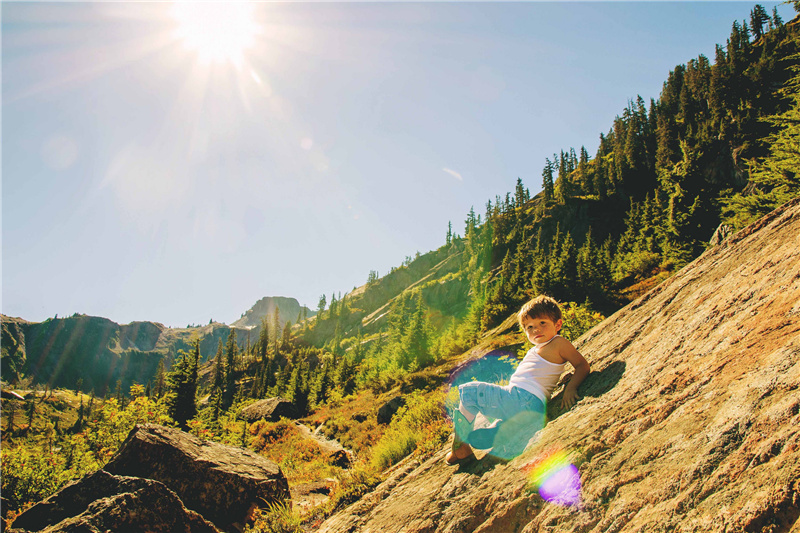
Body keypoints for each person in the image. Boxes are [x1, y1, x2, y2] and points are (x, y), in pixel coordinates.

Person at [446, 295, 591, 464]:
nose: (536, 329)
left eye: (542, 323)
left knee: (469, 392)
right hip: (531, 407)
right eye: (530, 327)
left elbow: (582, 365)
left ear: (557, 324)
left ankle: (460, 446)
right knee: (501, 418)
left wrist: (571, 388)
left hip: (521, 398)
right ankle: (501, 430)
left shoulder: (558, 343)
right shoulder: (538, 349)